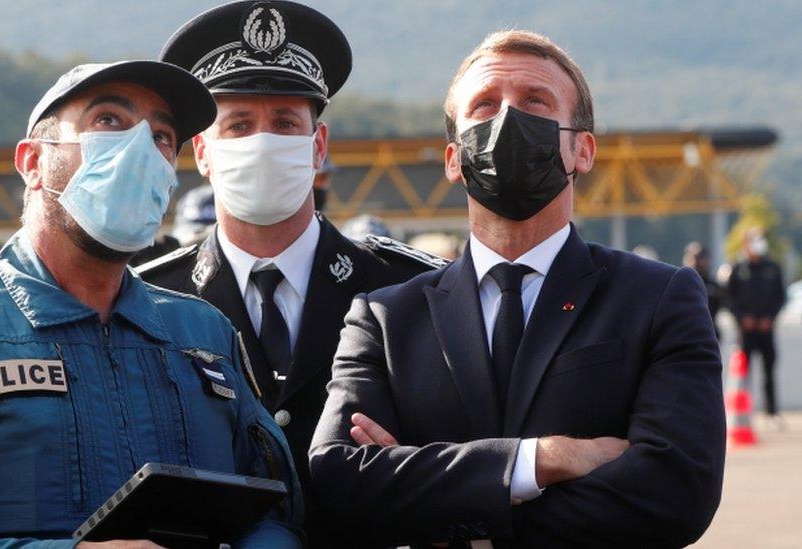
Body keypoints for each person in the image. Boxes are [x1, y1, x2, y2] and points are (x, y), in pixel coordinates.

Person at [0, 60, 302, 548]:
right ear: (32, 162)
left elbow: (276, 511)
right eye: (109, 121)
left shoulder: (203, 333)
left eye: (162, 137)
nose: (141, 151)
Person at [309, 30, 726, 548]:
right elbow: (338, 483)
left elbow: (677, 491)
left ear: (583, 150)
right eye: (484, 107)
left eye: (535, 102)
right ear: (453, 159)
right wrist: (546, 459)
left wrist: (450, 519)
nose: (507, 119)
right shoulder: (386, 318)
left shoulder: (659, 297)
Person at [138, 2, 446, 545]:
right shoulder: (148, 297)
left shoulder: (410, 291)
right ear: (203, 153)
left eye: (285, 123)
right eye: (238, 124)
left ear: (318, 146)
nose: (263, 142)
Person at [727, 227, 786, 423]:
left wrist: (770, 317)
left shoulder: (772, 268)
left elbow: (780, 297)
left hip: (766, 330)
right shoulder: (737, 268)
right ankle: (743, 414)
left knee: (769, 370)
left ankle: (771, 412)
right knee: (744, 372)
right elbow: (729, 299)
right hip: (746, 332)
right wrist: (742, 318)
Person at [684, 241, 723, 337]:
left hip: (709, 330)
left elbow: (719, 305)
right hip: (687, 331)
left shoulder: (713, 285)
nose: (701, 262)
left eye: (703, 258)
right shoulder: (682, 284)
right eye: (696, 258)